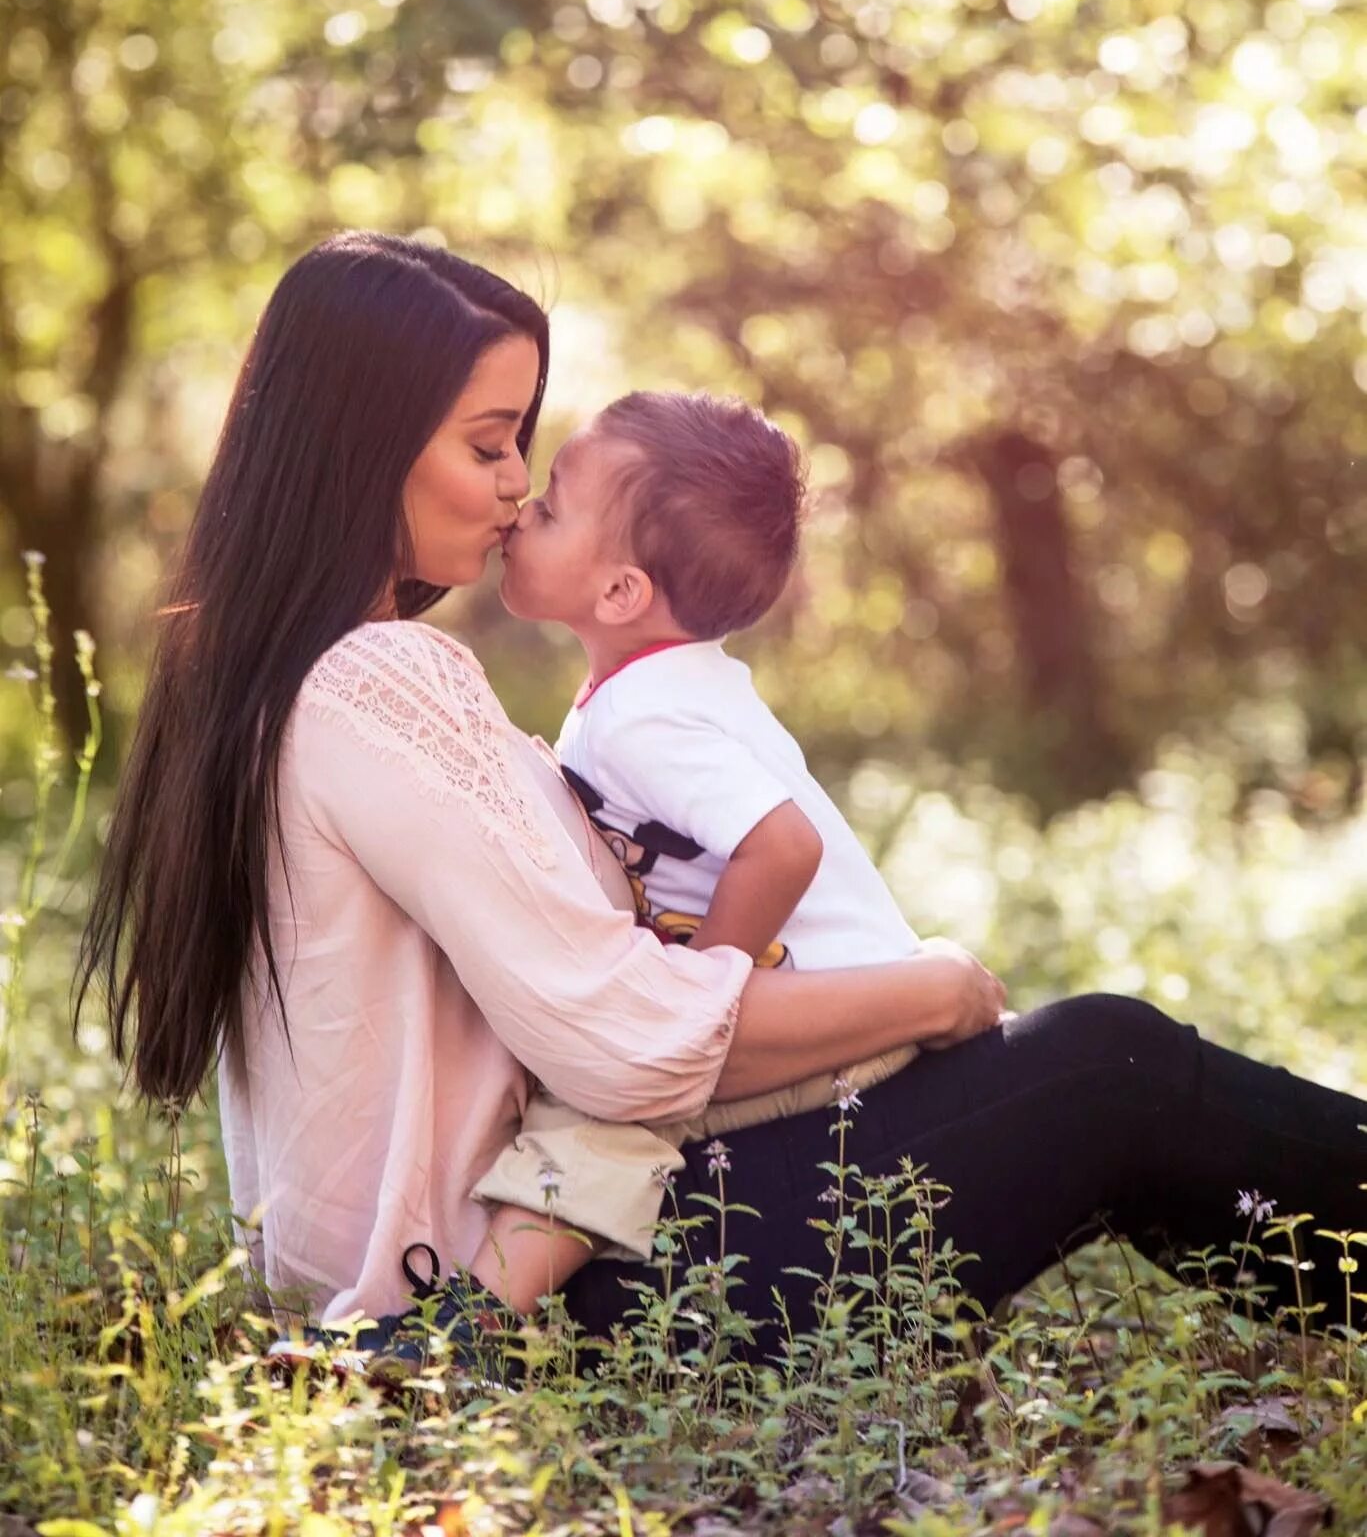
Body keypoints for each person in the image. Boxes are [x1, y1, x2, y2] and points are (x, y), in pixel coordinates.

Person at [75, 231, 1366, 1379]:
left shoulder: (257, 684)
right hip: (519, 1309)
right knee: (1105, 1064)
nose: (515, 483)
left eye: (522, 443)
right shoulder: (378, 680)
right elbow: (626, 1041)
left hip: (526, 1264)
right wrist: (934, 992)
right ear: (359, 446)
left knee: (1085, 1073)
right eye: (486, 444)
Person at [465, 390, 926, 1311]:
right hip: (826, 992)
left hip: (839, 1010)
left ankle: (471, 1327)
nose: (520, 511)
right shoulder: (654, 689)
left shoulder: (648, 716)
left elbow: (783, 846)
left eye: (550, 509)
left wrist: (700, 989)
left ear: (621, 591)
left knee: (606, 1104)